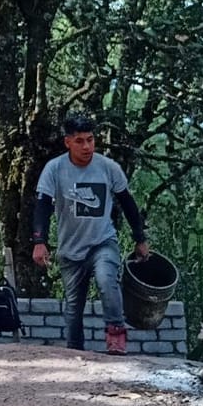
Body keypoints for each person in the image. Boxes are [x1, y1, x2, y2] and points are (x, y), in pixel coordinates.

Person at [31, 115, 148, 354]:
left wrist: (140, 238)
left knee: (107, 280)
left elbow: (128, 203)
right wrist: (39, 241)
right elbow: (42, 204)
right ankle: (75, 352)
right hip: (71, 248)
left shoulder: (108, 168)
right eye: (80, 141)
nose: (87, 147)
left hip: (102, 241)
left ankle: (115, 335)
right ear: (68, 143)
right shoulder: (55, 169)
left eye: (91, 140)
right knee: (74, 306)